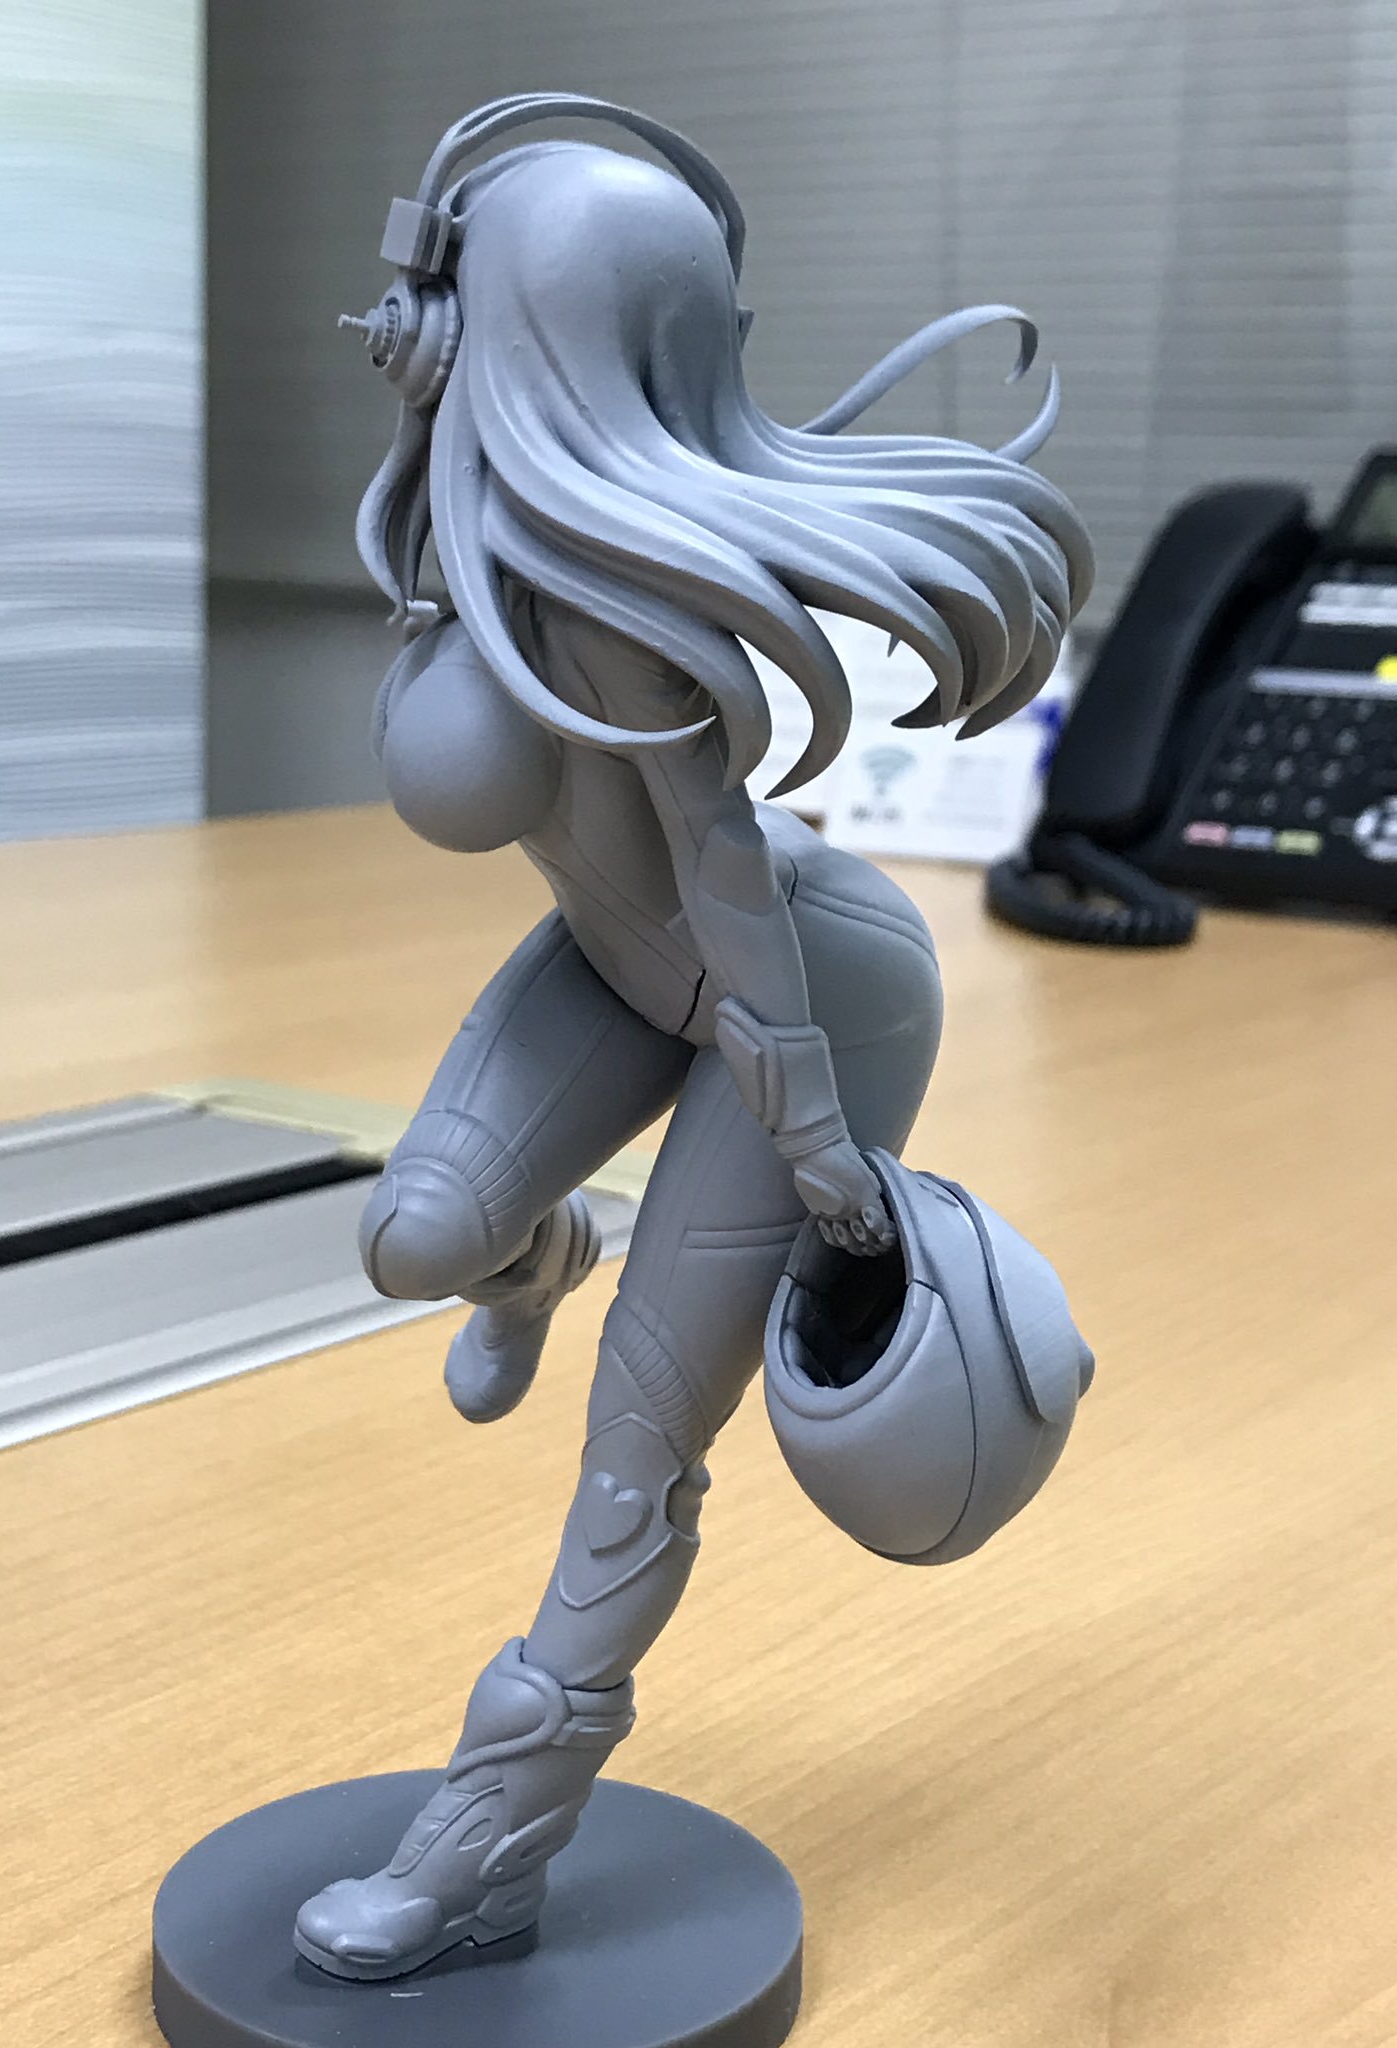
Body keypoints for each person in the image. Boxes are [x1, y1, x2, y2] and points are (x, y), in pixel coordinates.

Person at [294, 96, 1092, 1981]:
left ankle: (484, 1852)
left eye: (448, 295)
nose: (405, 324)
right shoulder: (477, 534)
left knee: (635, 1449)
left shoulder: (633, 630)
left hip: (800, 999)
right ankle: (542, 1257)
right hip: (609, 962)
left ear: (528, 341)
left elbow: (732, 890)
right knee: (416, 1235)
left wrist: (810, 1136)